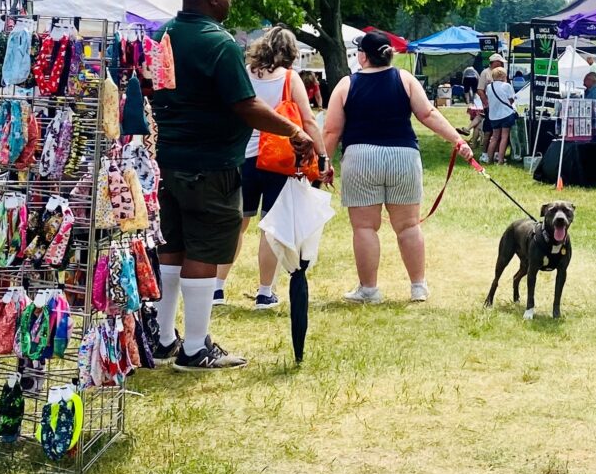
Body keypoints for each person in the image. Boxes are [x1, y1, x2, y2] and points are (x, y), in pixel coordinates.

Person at [152, 0, 318, 371]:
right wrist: (294, 131)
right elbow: (245, 106)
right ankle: (195, 348)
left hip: (165, 161)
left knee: (171, 247)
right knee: (204, 249)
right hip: (211, 164)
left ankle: (162, 337)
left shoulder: (162, 35)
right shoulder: (219, 43)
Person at [321, 28, 475, 303]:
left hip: (361, 157)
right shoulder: (405, 79)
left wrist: (323, 163)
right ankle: (418, 287)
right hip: (403, 156)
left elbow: (332, 131)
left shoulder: (346, 85)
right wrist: (457, 140)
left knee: (365, 228)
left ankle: (369, 290)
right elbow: (428, 113)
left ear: (363, 57)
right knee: (408, 226)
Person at [218, 25, 317, 313]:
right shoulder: (290, 78)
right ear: (291, 51)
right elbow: (308, 120)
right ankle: (265, 292)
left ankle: (216, 287)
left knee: (237, 224)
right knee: (270, 228)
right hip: (278, 159)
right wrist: (321, 155)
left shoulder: (245, 74)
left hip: (243, 157)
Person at [481, 64, 518, 164]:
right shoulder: (507, 86)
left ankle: (489, 159)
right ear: (503, 76)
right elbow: (511, 100)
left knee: (494, 137)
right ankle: (500, 160)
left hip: (493, 116)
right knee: (504, 137)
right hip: (506, 114)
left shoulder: (489, 87)